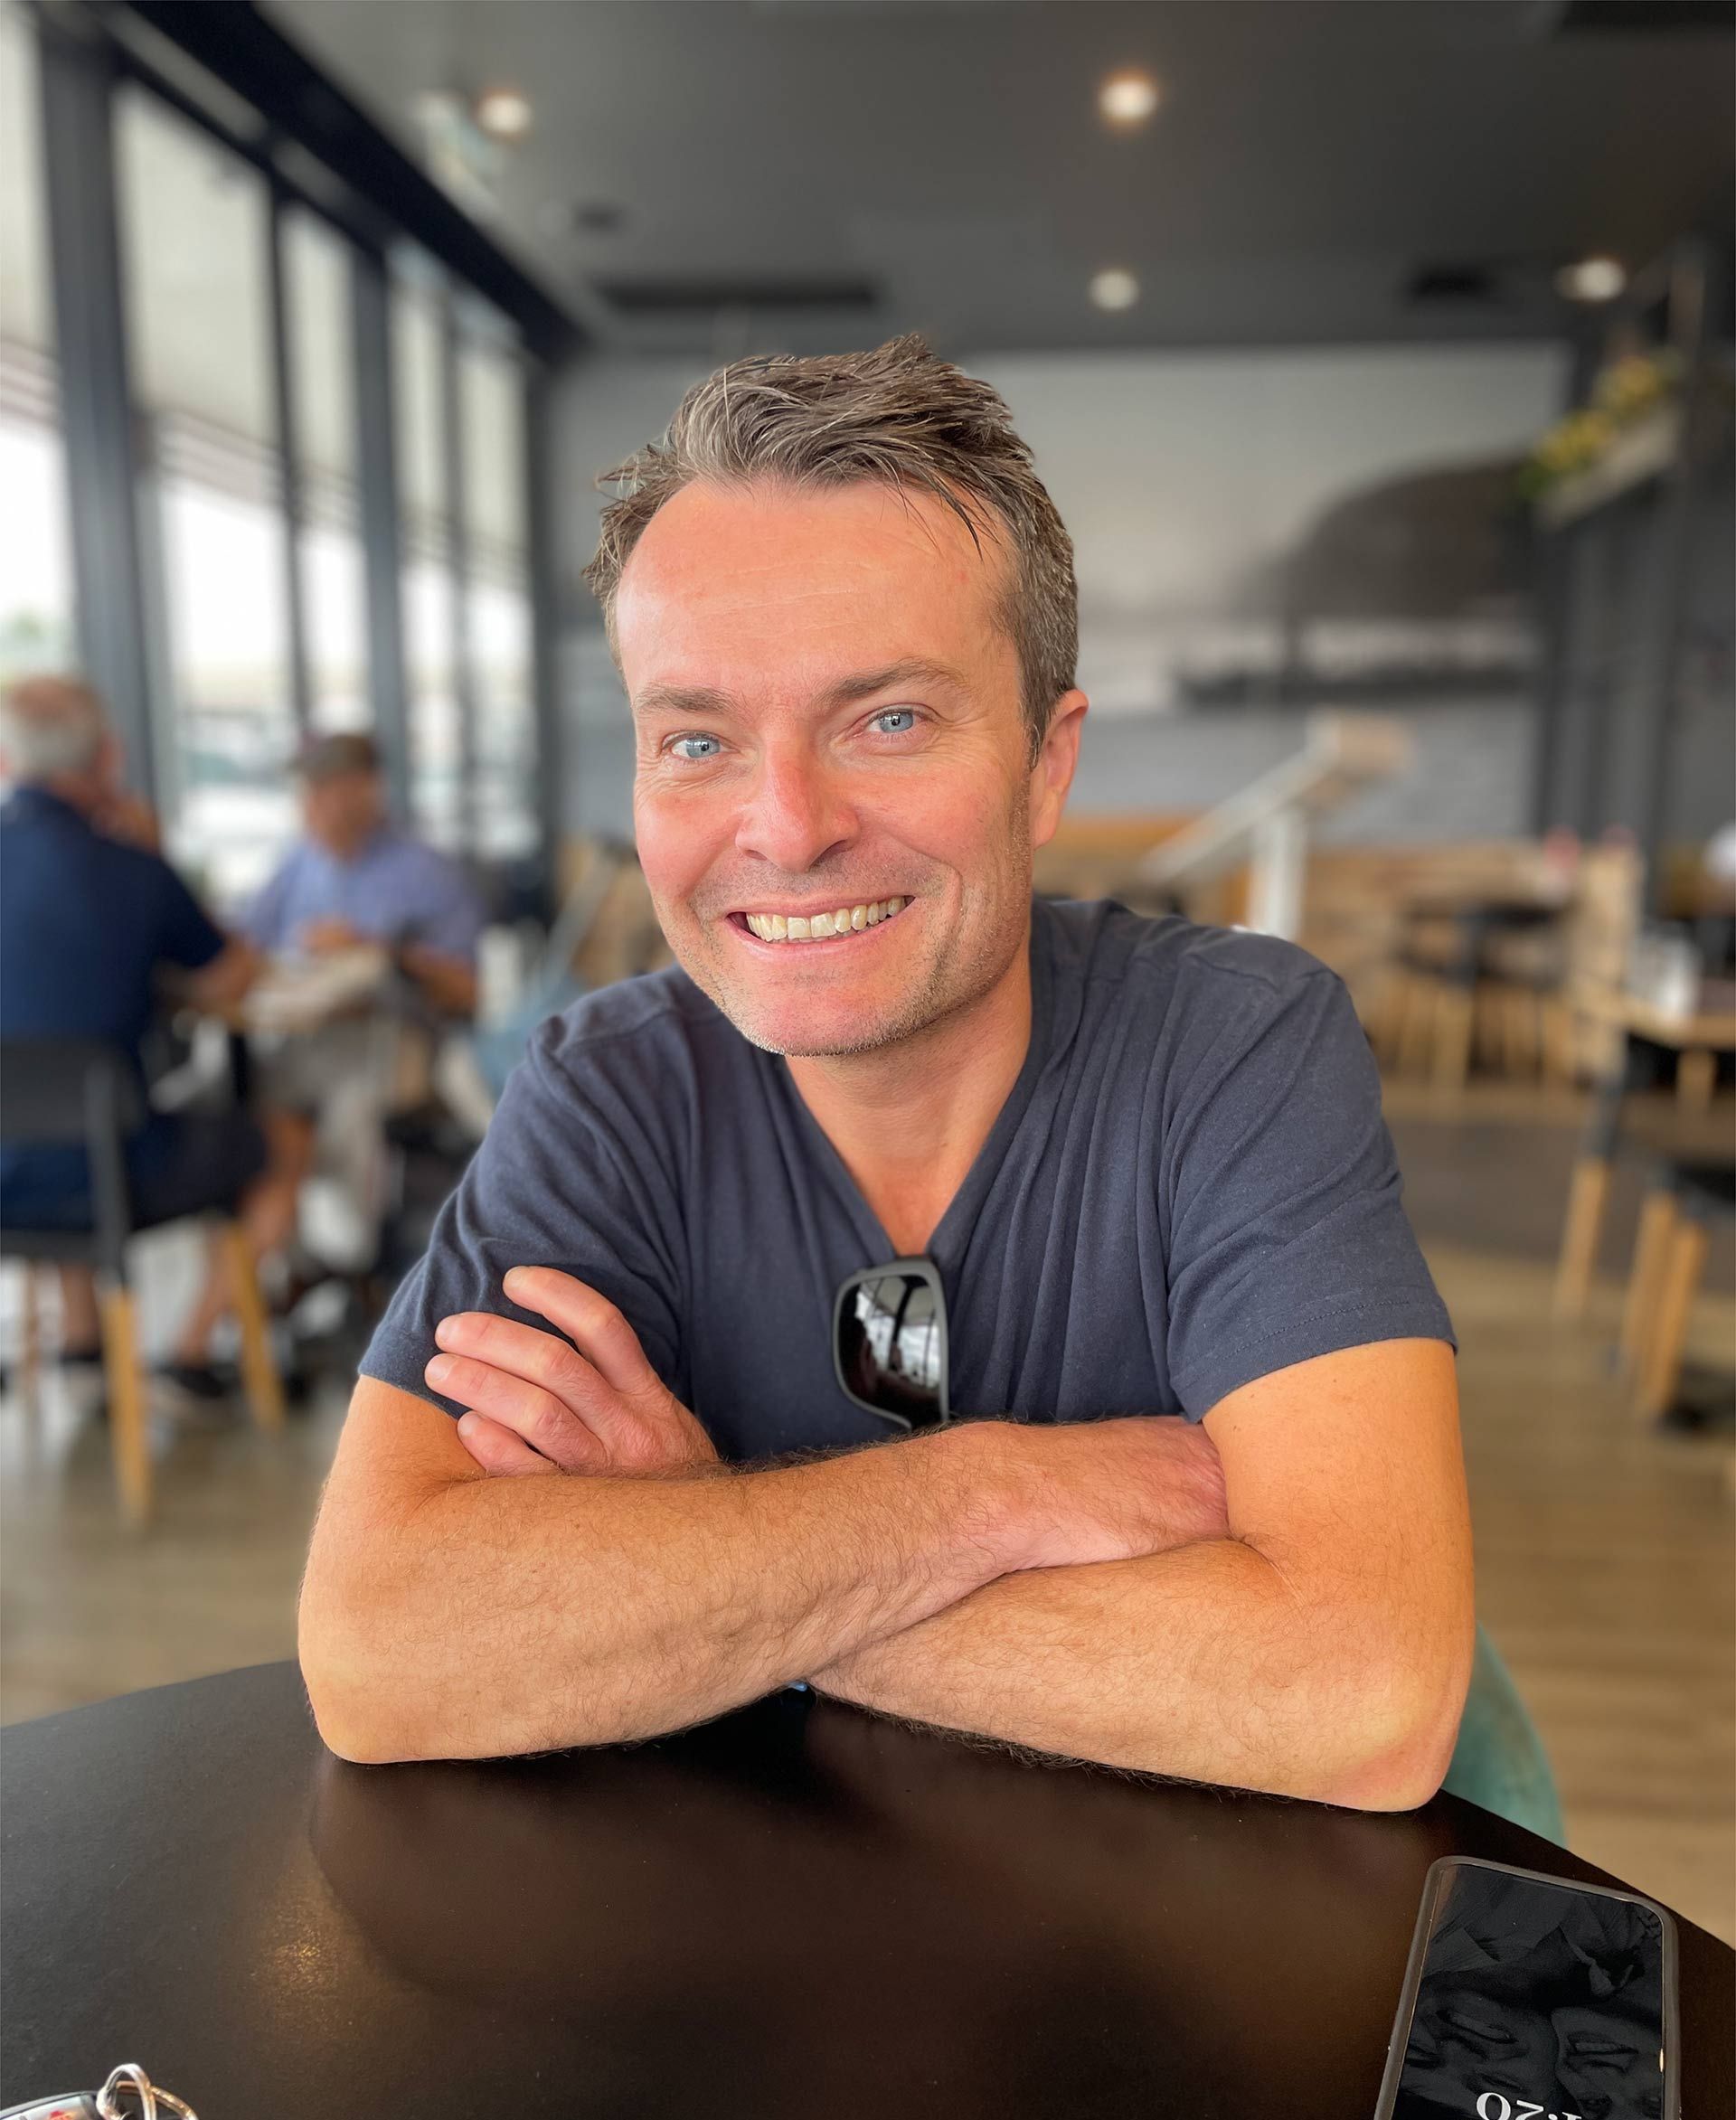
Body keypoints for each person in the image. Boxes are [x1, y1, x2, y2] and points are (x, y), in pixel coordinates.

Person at [300, 336, 1475, 1807]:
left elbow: (1362, 1690)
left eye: (890, 718)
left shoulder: (1235, 1048)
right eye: (699, 738)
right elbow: (380, 1649)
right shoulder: (609, 1092)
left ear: (1048, 765)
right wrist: (989, 1495)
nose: (786, 828)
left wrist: (697, 1550)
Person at [0, 675, 285, 1408]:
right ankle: (188, 1355)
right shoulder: (131, 868)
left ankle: (81, 1348)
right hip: (108, 1172)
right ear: (109, 759)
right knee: (277, 1144)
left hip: (8, 1173)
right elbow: (230, 978)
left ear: (10, 762)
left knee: (58, 1112)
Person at [241, 731, 484, 1270]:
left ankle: (355, 1263)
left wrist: (376, 952)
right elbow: (240, 948)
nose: (315, 804)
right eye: (309, 790)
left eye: (329, 788)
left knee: (347, 1107)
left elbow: (470, 991)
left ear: (368, 791)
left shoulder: (425, 871)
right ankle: (291, 1262)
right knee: (242, 1105)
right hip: (303, 1039)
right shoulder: (298, 863)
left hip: (396, 1041)